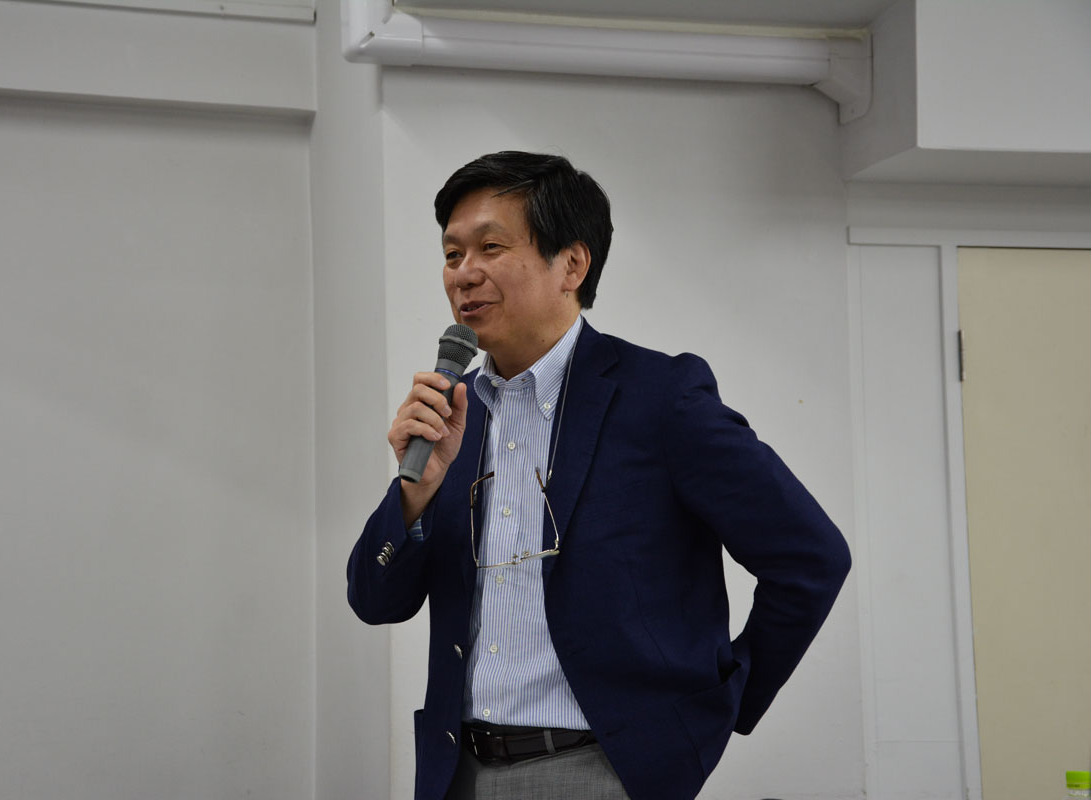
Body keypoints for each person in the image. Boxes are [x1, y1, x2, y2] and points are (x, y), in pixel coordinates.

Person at [347, 151, 851, 800]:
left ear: (572, 265)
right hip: (456, 771)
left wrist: (722, 704)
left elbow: (811, 557)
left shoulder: (659, 398)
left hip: (599, 771)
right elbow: (375, 601)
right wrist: (415, 491)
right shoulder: (454, 414)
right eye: (451, 254)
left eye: (490, 247)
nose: (464, 273)